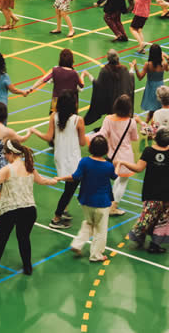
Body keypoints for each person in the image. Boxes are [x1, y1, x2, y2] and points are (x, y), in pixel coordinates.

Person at [0, 140, 61, 277]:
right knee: (24, 238)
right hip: (29, 210)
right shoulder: (30, 167)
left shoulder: (7, 170)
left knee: (0, 239)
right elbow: (43, 181)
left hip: (9, 210)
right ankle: (28, 267)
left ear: (11, 153)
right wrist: (54, 180)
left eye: (5, 153)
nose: (4, 156)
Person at [119, 128, 169, 252]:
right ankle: (155, 244)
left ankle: (139, 236)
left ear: (156, 138)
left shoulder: (148, 151)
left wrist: (123, 162)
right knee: (163, 218)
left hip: (150, 190)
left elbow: (138, 168)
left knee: (148, 215)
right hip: (167, 192)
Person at [27, 91, 87, 228]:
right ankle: (56, 218)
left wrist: (35, 131)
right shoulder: (78, 120)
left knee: (69, 185)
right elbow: (83, 143)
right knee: (70, 189)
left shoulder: (54, 116)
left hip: (59, 156)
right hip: (73, 158)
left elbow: (49, 137)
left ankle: (64, 210)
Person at [65, 135, 116, 262]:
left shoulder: (84, 161)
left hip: (86, 201)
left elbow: (76, 176)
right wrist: (118, 166)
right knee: (100, 230)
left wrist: (61, 178)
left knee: (88, 223)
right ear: (105, 149)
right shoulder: (108, 166)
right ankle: (96, 255)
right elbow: (114, 177)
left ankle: (77, 244)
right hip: (102, 203)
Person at [97, 95, 140, 217]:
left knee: (114, 180)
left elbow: (102, 134)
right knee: (122, 182)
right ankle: (113, 206)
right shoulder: (131, 122)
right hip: (125, 157)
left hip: (111, 155)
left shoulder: (108, 119)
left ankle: (108, 202)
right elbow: (134, 138)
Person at [87, 49, 134, 126]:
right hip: (122, 102)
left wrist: (90, 76)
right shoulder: (124, 69)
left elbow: (98, 86)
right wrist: (132, 68)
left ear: (108, 58)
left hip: (110, 104)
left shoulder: (104, 71)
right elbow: (130, 79)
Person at [133, 45, 169, 117]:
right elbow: (167, 69)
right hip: (161, 87)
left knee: (152, 109)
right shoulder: (164, 63)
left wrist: (135, 67)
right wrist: (163, 57)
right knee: (159, 108)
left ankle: (148, 123)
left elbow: (140, 77)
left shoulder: (148, 64)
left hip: (151, 88)